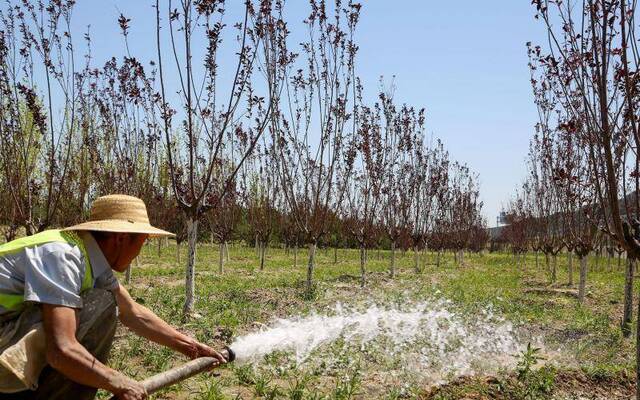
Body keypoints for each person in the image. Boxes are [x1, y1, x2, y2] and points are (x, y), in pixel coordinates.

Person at [0, 195, 227, 400]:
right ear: (121, 238)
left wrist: (190, 347)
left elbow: (132, 312)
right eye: (142, 241)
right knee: (101, 306)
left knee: (104, 301)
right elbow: (61, 349)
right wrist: (118, 382)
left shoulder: (89, 256)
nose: (141, 250)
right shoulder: (63, 256)